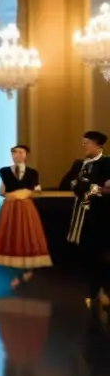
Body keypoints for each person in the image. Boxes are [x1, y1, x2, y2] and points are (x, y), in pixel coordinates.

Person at [0, 144, 50, 288]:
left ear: (25, 155)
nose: (17, 155)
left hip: (25, 207)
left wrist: (27, 192)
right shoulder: (4, 171)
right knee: (11, 235)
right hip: (10, 207)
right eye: (14, 152)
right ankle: (16, 272)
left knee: (27, 235)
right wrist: (8, 194)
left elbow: (36, 190)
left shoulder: (32, 172)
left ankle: (27, 270)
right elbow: (2, 190)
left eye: (20, 152)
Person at [62, 131, 110, 310]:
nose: (84, 146)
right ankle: (93, 291)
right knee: (89, 255)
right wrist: (92, 186)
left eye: (88, 143)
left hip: (102, 216)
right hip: (82, 216)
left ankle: (102, 290)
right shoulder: (79, 164)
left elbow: (106, 189)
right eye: (83, 143)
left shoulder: (106, 163)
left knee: (102, 255)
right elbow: (66, 183)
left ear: (98, 145)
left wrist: (84, 185)